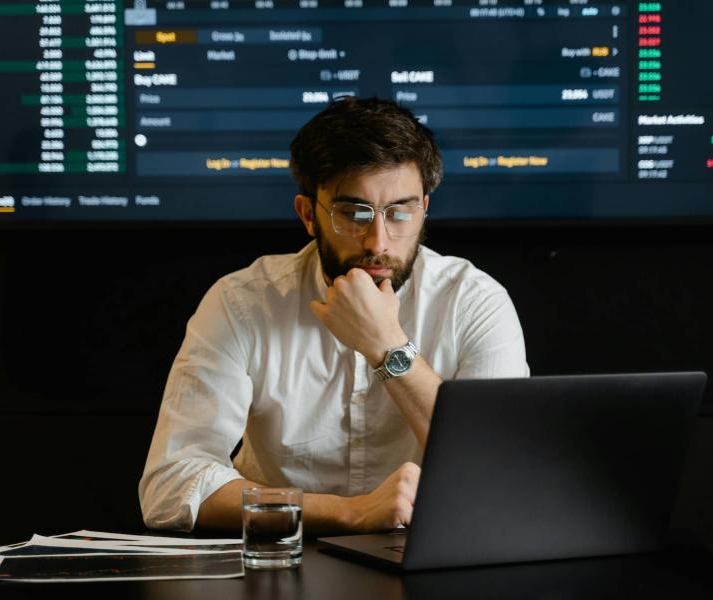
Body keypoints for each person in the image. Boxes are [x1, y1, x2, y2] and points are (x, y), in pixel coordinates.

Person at [139, 97, 529, 534]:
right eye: (353, 213)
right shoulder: (241, 301)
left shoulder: (475, 301)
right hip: (278, 559)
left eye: (400, 212)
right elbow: (171, 487)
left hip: (429, 557)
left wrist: (388, 349)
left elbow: (500, 473)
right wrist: (351, 513)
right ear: (309, 214)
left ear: (425, 207)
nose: (378, 241)